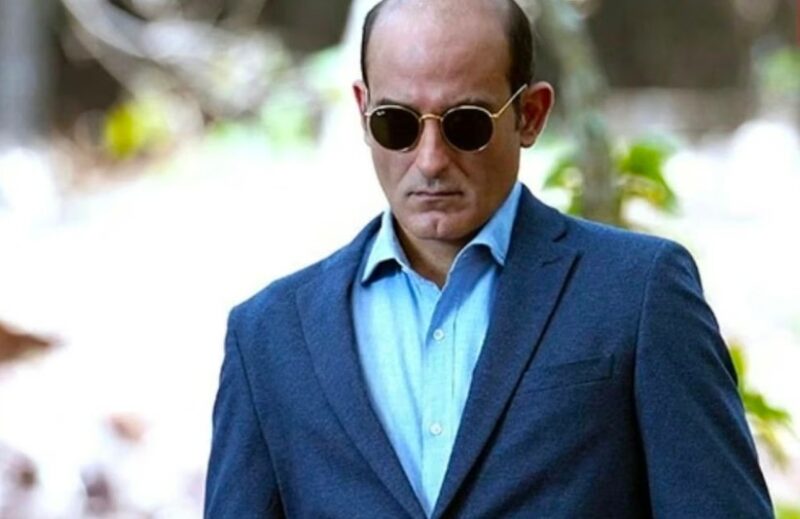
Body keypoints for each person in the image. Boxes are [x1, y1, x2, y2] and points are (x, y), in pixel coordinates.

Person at [204, 0, 773, 517]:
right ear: (362, 111)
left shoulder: (638, 291)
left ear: (531, 114)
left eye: (466, 124)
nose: (430, 160)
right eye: (397, 123)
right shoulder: (268, 335)